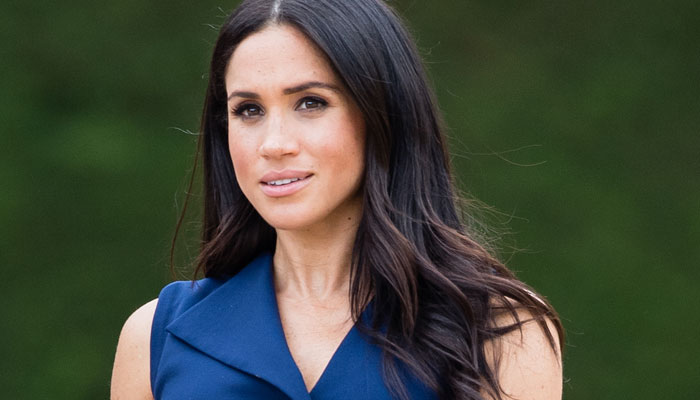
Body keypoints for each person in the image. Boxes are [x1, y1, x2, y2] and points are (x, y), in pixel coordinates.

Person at [111, 0, 564, 399]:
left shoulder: (498, 331)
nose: (274, 143)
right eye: (248, 110)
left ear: (384, 113)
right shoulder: (155, 337)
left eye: (310, 102)